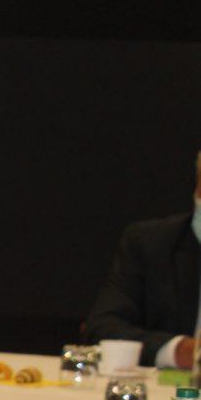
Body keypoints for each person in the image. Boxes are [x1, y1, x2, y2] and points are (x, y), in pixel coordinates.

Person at [85, 150, 201, 368]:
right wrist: (179, 351)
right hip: (169, 386)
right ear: (197, 188)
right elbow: (103, 327)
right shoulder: (152, 243)